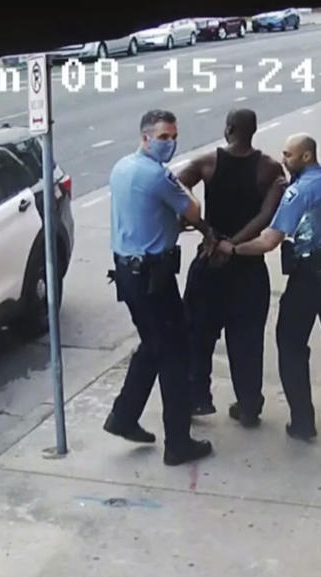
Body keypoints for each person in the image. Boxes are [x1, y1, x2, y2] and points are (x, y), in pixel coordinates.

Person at [210, 133, 321, 441]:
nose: (283, 160)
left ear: (306, 156)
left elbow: (270, 240)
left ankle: (302, 421)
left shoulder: (300, 191)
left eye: (289, 155)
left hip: (309, 279)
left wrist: (232, 248)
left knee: (290, 345)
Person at [102, 109, 213, 465]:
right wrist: (177, 185)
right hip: (153, 280)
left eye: (173, 136)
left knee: (153, 345)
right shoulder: (156, 176)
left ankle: (124, 416)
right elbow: (193, 211)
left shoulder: (122, 167)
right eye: (163, 137)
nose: (170, 143)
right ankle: (178, 442)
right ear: (145, 137)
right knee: (174, 356)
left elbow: (145, 213)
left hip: (129, 275)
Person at [177, 109, 287, 428]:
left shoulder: (207, 163)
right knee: (247, 341)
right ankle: (249, 405)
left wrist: (207, 231)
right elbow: (266, 215)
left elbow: (176, 188)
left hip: (209, 261)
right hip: (249, 265)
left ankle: (198, 397)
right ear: (254, 131)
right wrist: (235, 245)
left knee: (198, 333)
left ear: (227, 130)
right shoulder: (268, 168)